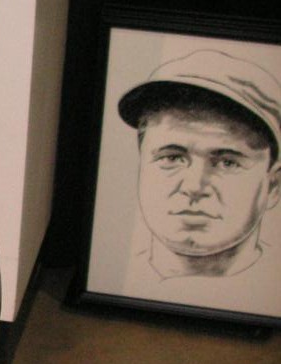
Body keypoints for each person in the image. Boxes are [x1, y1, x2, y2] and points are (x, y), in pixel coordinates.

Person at [118, 48, 281, 282]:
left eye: (227, 163)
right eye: (172, 158)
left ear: (274, 186)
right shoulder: (111, 274)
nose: (194, 187)